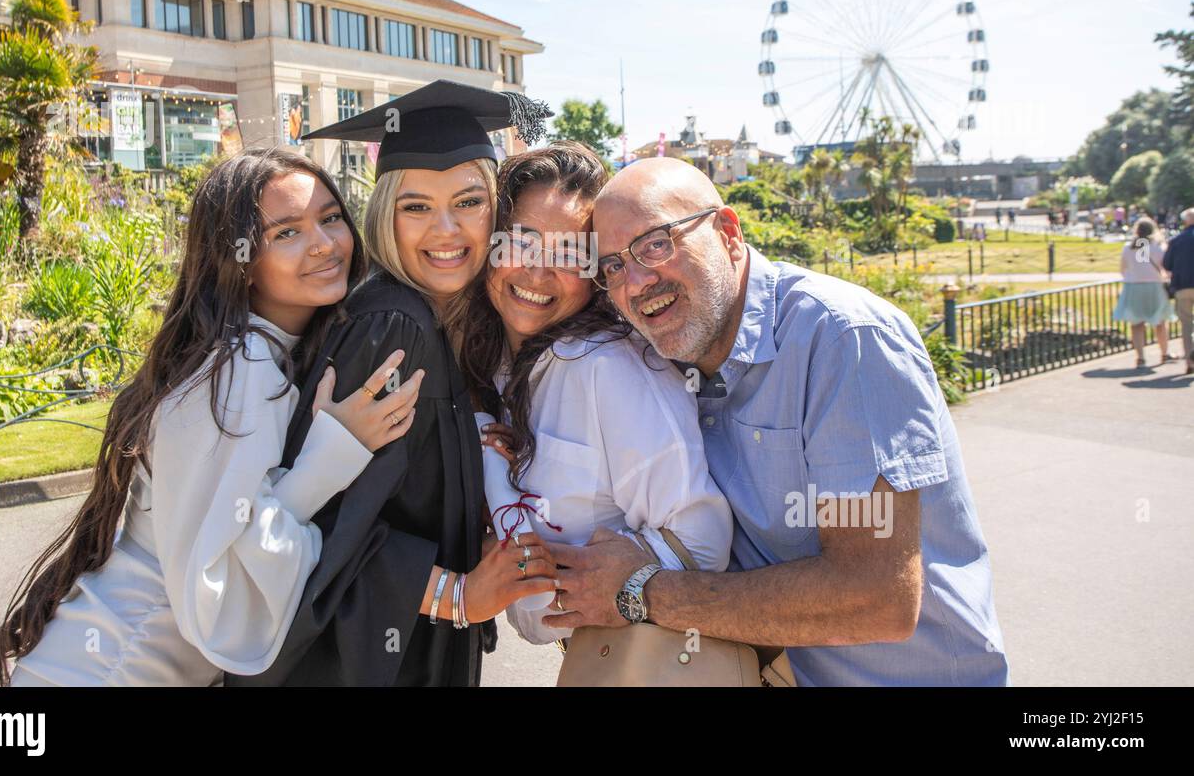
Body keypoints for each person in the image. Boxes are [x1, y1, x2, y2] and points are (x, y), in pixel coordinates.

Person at [542, 157, 1010, 686]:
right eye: (614, 267)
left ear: (728, 232)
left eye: (655, 243)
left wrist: (640, 593)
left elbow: (876, 597)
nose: (637, 281)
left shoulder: (842, 340)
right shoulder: (666, 360)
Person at [0, 149, 422, 686]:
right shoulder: (239, 371)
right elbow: (222, 582)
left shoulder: (263, 354)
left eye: (330, 218)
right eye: (286, 233)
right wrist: (330, 457)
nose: (325, 244)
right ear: (238, 259)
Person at [228, 80, 560, 687]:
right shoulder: (392, 325)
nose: (446, 231)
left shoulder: (428, 320)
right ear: (385, 213)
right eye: (416, 206)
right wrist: (457, 596)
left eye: (468, 202)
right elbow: (326, 522)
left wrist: (470, 451)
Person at [459, 143, 732, 659]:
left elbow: (703, 538)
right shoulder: (496, 363)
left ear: (596, 273)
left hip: (642, 660)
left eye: (569, 254)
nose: (539, 273)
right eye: (522, 241)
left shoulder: (607, 367)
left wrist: (614, 588)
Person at [1112, 217, 1175, 368]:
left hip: (1133, 287)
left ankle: (1140, 357)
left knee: (1137, 324)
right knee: (1160, 322)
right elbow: (1166, 268)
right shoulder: (1157, 247)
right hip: (1154, 287)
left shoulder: (1128, 248)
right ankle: (1164, 353)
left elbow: (1122, 269)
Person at [1161, 207, 1194, 375]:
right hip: (1148, 286)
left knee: (1186, 324)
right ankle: (1164, 352)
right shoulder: (1148, 246)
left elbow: (1165, 264)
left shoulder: (1175, 241)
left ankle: (1188, 359)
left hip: (1180, 285)